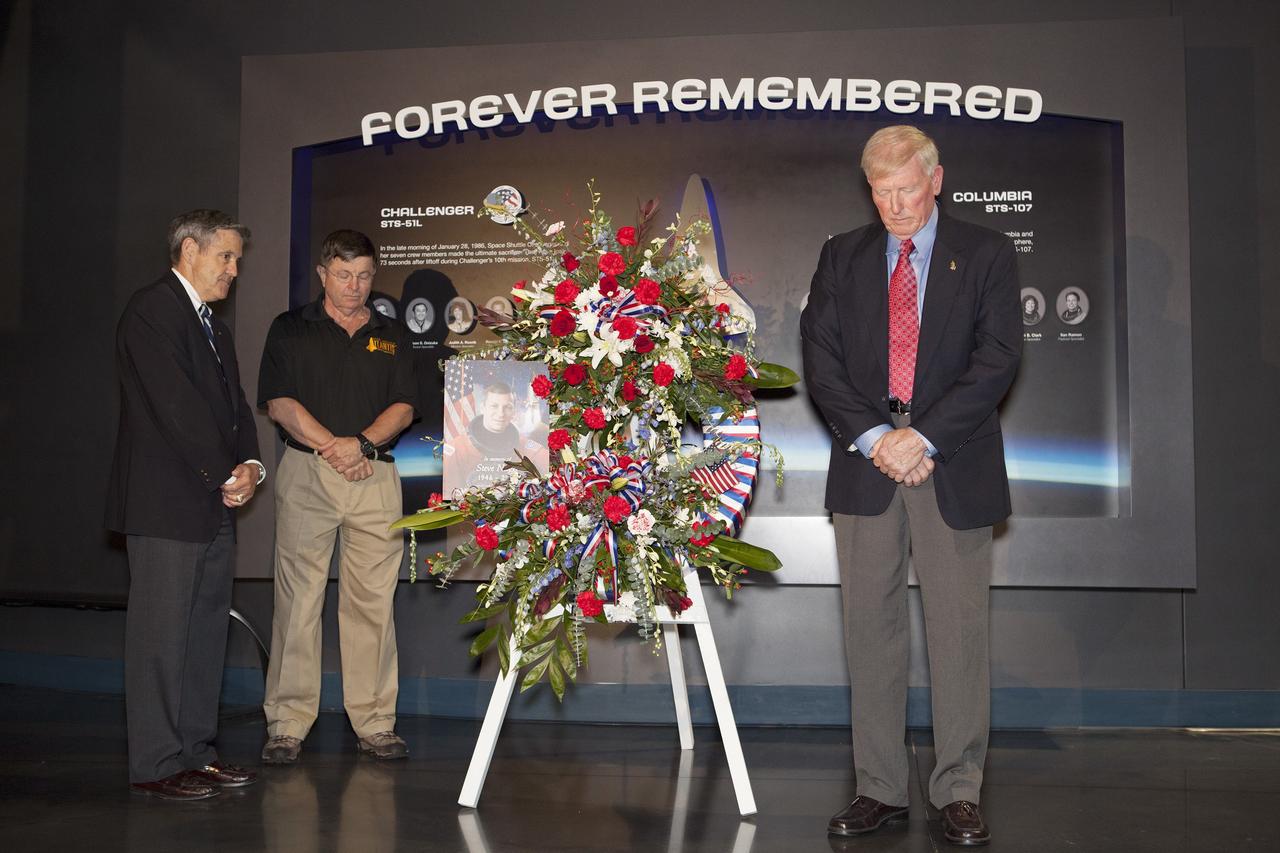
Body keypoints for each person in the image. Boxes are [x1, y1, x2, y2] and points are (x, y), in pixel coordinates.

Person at [800, 126, 1021, 846]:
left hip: (950, 459)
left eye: (906, 189)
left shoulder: (986, 252)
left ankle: (958, 789)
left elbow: (997, 358)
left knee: (959, 632)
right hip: (867, 464)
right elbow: (821, 358)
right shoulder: (842, 255)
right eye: (880, 191)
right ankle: (879, 787)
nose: (894, 205)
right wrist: (878, 438)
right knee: (870, 629)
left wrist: (919, 437)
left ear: (936, 180)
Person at [105, 209, 265, 800]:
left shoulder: (212, 326)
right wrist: (224, 472)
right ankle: (156, 762)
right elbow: (176, 407)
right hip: (165, 504)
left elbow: (235, 408)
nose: (234, 270)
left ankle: (196, 752)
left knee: (203, 634)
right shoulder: (153, 310)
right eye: (225, 257)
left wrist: (251, 467)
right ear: (189, 251)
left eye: (237, 260)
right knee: (161, 637)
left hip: (210, 502)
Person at [257, 229, 418, 764]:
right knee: (298, 600)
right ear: (323, 274)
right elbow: (279, 403)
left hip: (375, 475)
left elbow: (404, 406)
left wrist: (361, 445)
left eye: (364, 276)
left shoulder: (392, 333)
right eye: (344, 275)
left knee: (372, 603)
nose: (355, 286)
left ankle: (375, 722)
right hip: (309, 472)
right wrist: (334, 447)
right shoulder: (290, 328)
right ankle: (287, 724)